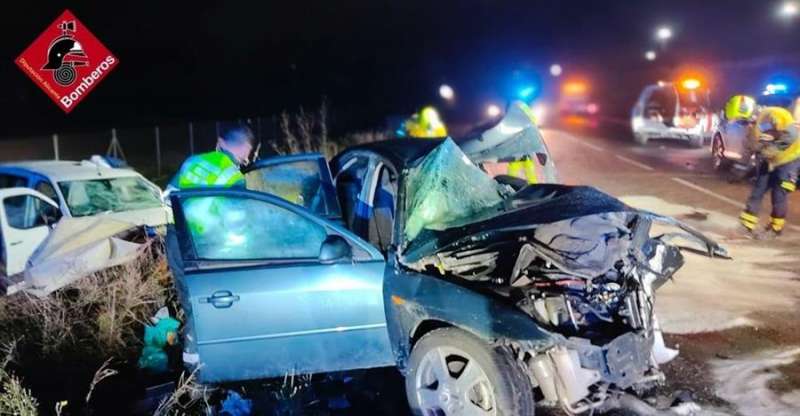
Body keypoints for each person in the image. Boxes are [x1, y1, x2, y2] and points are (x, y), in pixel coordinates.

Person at [739, 107, 800, 239]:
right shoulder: (757, 125)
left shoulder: (777, 116)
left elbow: (792, 135)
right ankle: (747, 224)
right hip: (770, 161)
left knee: (779, 194)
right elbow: (755, 147)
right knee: (758, 191)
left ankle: (775, 228)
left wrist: (773, 148)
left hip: (789, 160)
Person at [173, 123, 255, 190]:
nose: (247, 160)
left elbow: (169, 195)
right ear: (220, 142)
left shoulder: (191, 161)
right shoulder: (236, 178)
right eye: (242, 160)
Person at [722, 95, 758, 181]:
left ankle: (735, 177)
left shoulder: (759, 114)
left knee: (743, 161)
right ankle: (737, 176)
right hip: (755, 145)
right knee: (745, 161)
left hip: (752, 144)